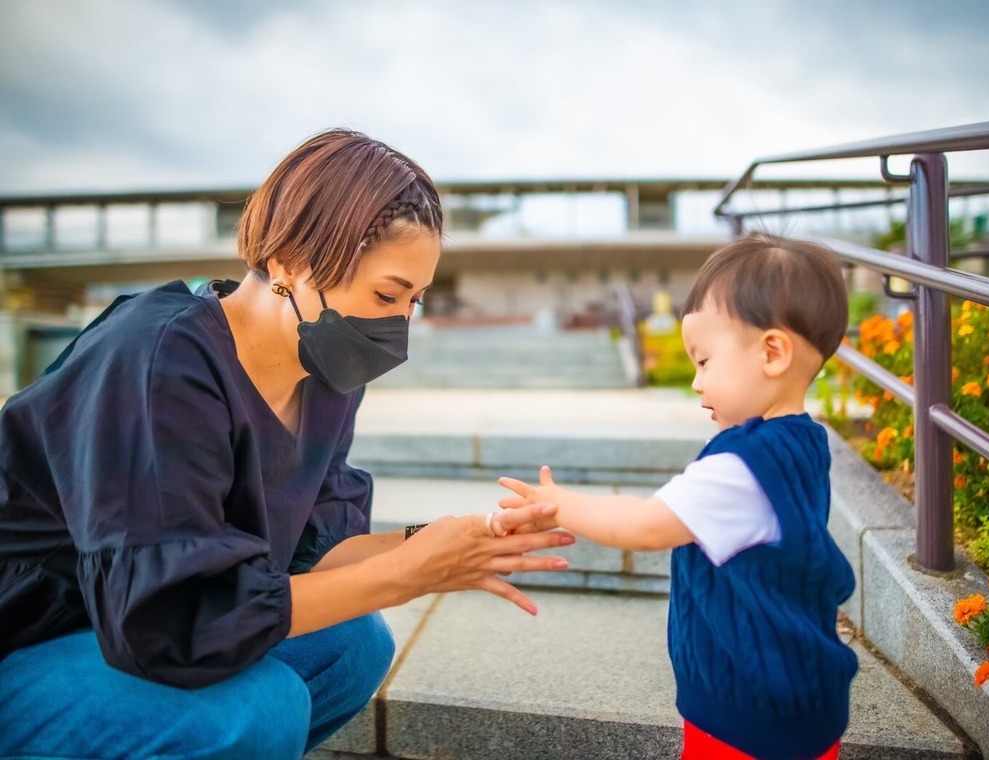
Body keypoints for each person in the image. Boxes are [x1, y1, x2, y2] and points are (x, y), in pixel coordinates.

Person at [0, 130, 573, 760]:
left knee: (354, 645)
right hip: (38, 634)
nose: (399, 323)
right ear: (290, 260)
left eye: (414, 299)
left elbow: (312, 551)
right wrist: (407, 574)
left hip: (119, 624)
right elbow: (166, 617)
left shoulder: (324, 371)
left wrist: (446, 541)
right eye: (387, 294)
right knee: (260, 709)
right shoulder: (157, 360)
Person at [498, 235, 858, 760]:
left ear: (773, 352)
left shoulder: (740, 467)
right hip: (795, 700)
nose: (695, 382)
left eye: (705, 361)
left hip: (748, 717)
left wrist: (559, 502)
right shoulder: (803, 440)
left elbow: (645, 525)